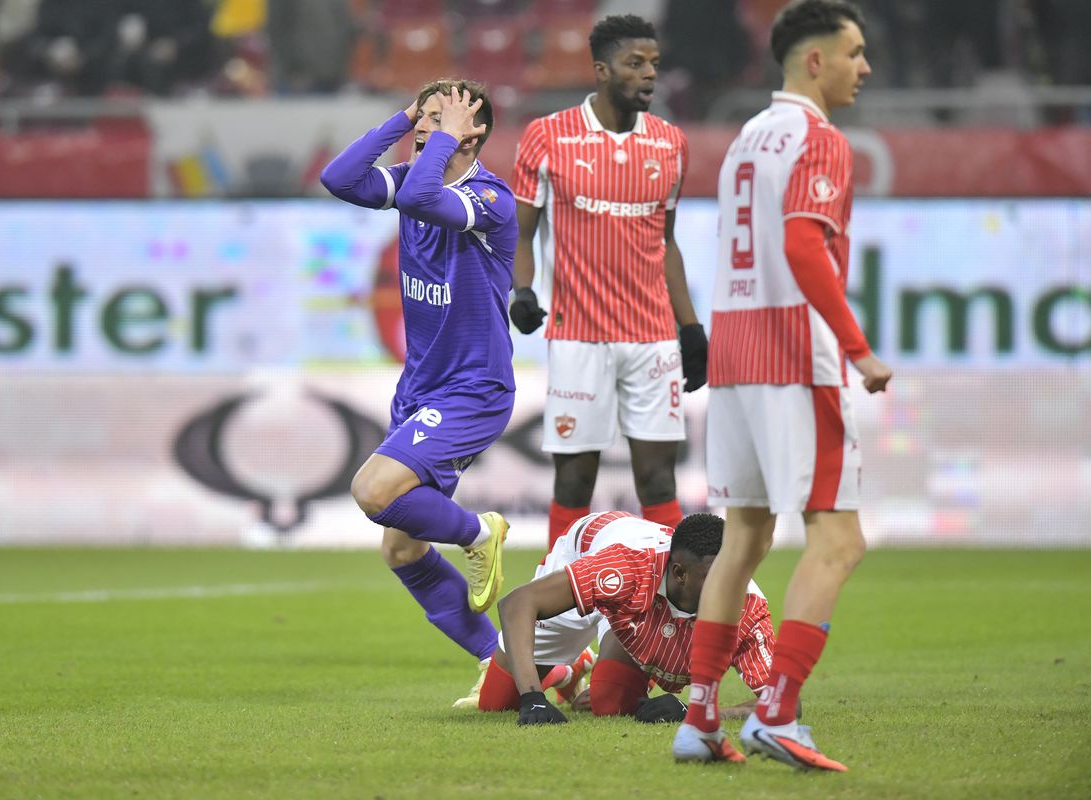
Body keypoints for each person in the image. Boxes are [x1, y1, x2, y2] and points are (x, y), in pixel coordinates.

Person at [671, 0, 891, 772]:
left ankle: (699, 719)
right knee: (840, 537)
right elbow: (804, 245)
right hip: (796, 355)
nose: (866, 67)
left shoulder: (744, 142)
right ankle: (778, 710)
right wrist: (857, 350)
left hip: (734, 355)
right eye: (855, 52)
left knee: (746, 537)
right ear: (814, 61)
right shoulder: (819, 139)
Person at [320, 80, 516, 676]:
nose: (423, 127)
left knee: (373, 492)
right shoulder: (414, 175)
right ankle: (508, 663)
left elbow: (425, 198)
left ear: (473, 131)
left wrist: (441, 137)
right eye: (422, 116)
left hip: (473, 389)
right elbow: (339, 179)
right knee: (402, 548)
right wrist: (401, 118)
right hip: (420, 388)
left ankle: (478, 535)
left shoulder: (490, 201)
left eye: (439, 117)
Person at [510, 14, 710, 550]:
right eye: (635, 63)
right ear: (602, 70)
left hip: (652, 339)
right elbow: (521, 234)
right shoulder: (547, 138)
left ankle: (668, 614)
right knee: (575, 480)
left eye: (654, 64)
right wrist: (522, 291)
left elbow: (665, 241)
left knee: (658, 481)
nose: (649, 75)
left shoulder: (669, 144)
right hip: (578, 337)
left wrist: (690, 327)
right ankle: (560, 619)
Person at [468, 511, 773, 734]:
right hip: (588, 557)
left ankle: (590, 668)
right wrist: (533, 698)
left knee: (611, 704)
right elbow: (518, 604)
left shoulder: (749, 607)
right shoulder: (628, 567)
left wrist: (696, 711)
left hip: (631, 611)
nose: (728, 585)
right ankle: (567, 670)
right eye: (715, 577)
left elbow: (782, 704)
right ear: (680, 574)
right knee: (496, 704)